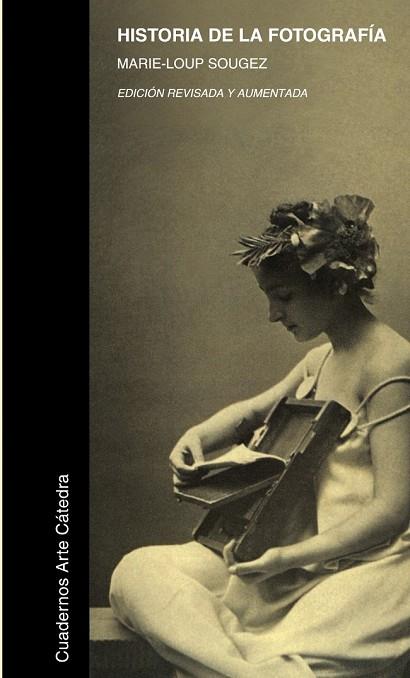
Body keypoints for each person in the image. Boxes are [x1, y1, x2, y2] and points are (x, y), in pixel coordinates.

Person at [109, 195, 410, 677]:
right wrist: (198, 437)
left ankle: (230, 659)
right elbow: (250, 413)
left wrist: (285, 557)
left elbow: (393, 510)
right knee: (137, 573)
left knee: (284, 650)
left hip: (363, 567)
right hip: (282, 559)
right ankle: (243, 671)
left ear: (336, 284)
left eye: (284, 296)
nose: (273, 313)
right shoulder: (319, 361)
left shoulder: (390, 362)